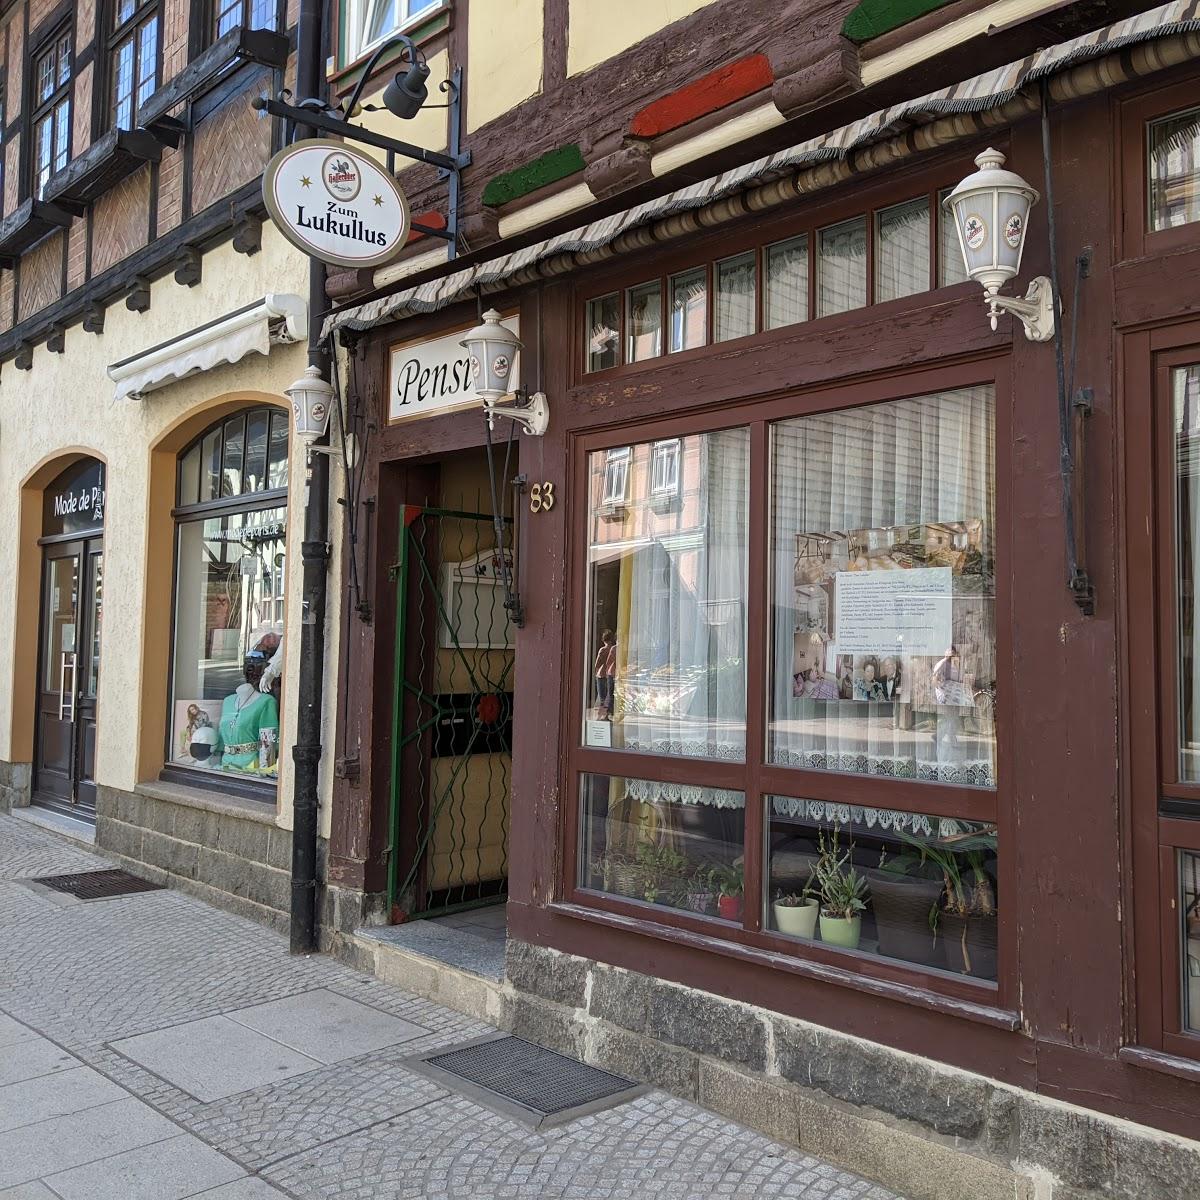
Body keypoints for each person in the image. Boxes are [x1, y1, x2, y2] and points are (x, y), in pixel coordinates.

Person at [215, 649, 280, 775]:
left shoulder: (266, 702)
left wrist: (264, 771)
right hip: (225, 764)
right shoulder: (228, 701)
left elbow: (268, 741)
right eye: (248, 665)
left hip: (250, 766)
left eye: (256, 665)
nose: (250, 670)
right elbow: (221, 736)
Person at [594, 629, 617, 718]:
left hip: (601, 674)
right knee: (609, 695)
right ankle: (608, 712)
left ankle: (602, 715)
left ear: (603, 639)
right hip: (610, 674)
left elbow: (597, 663)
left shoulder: (602, 650)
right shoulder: (614, 648)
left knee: (601, 696)